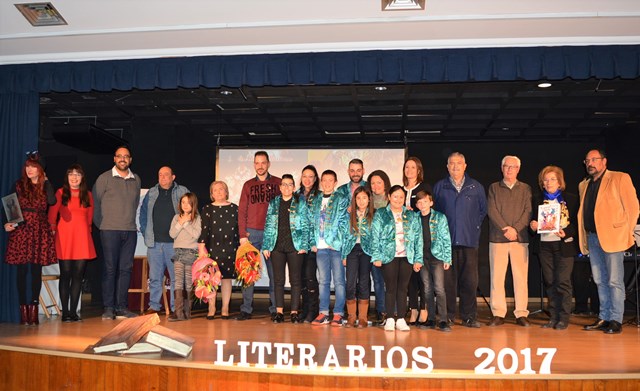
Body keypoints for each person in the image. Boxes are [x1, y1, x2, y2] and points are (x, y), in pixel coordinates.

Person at [578, 149, 639, 334]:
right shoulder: (584, 185)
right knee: (599, 280)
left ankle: (616, 320)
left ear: (604, 161)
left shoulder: (620, 178)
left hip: (614, 237)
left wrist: (625, 232)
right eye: (587, 160)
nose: (590, 163)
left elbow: (633, 207)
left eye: (594, 159)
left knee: (614, 281)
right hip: (592, 237)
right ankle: (604, 317)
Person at [433, 152, 487, 328]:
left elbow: (482, 212)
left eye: (459, 163)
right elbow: (436, 214)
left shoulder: (476, 187)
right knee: (447, 282)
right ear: (447, 166)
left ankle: (469, 316)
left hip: (469, 241)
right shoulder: (440, 187)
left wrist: (472, 227)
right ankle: (447, 316)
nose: (455, 166)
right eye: (452, 163)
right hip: (446, 244)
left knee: (469, 281)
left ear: (465, 166)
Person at [4, 153, 56, 326]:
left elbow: (52, 200)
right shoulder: (18, 185)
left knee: (35, 271)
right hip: (22, 229)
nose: (29, 170)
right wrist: (6, 223)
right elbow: (8, 205)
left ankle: (33, 310)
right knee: (21, 272)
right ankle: (23, 311)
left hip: (39, 230)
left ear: (40, 169)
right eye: (27, 166)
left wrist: (46, 181)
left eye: (33, 166)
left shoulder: (45, 185)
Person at [93, 146, 141, 320]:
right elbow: (96, 205)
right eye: (119, 156)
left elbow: (135, 204)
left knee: (126, 269)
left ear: (130, 160)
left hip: (129, 231)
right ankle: (108, 307)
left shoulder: (136, 179)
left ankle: (121, 307)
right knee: (110, 269)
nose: (123, 159)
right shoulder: (103, 178)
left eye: (126, 156)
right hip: (109, 230)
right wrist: (104, 225)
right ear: (114, 159)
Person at [530, 165, 578, 330]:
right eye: (546, 179)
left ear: (559, 182)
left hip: (564, 246)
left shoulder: (571, 199)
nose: (549, 182)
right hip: (544, 245)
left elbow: (578, 224)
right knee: (550, 281)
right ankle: (553, 317)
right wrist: (533, 224)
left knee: (563, 282)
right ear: (542, 183)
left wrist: (566, 231)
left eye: (552, 179)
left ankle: (564, 318)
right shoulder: (536, 199)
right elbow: (531, 221)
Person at [486, 156, 532, 327]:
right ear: (502, 167)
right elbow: (492, 210)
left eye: (513, 167)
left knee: (521, 278)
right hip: (498, 239)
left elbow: (528, 212)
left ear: (518, 169)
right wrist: (506, 228)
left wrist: (515, 230)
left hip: (519, 239)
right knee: (497, 278)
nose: (510, 169)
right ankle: (498, 313)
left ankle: (521, 313)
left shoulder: (526, 188)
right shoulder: (494, 188)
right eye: (506, 166)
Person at [48, 163, 96, 322]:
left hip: (82, 238)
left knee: (77, 276)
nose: (74, 177)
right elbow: (52, 215)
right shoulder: (60, 193)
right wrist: (53, 230)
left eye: (78, 174)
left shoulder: (87, 195)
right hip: (65, 238)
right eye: (71, 174)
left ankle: (74, 311)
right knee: (65, 275)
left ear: (82, 178)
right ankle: (65, 312)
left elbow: (90, 217)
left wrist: (87, 232)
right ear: (67, 177)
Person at [371, 185, 423, 332]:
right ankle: (389, 319)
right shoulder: (381, 214)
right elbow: (375, 236)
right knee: (390, 288)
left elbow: (418, 238)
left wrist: (418, 259)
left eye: (401, 197)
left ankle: (400, 318)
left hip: (407, 256)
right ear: (389, 197)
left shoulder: (411, 215)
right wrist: (376, 256)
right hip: (388, 256)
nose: (398, 200)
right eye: (395, 196)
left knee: (402, 288)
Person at [236, 151, 281, 320]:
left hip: (272, 233)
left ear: (268, 164)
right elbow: (242, 211)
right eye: (257, 163)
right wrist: (242, 234)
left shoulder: (277, 183)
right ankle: (246, 309)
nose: (260, 166)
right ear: (254, 165)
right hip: (251, 233)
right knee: (248, 273)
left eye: (263, 162)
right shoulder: (248, 185)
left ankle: (276, 309)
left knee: (274, 274)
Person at [139, 166, 189, 317]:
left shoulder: (181, 191)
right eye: (160, 175)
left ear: (173, 177)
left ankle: (176, 308)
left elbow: (191, 211)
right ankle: (154, 306)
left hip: (175, 244)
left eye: (166, 175)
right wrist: (144, 230)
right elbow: (143, 213)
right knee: (154, 277)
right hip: (154, 243)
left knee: (176, 278)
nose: (162, 177)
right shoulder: (152, 192)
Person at [262, 174, 310, 323]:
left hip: (294, 246)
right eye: (284, 184)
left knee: (295, 280)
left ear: (294, 187)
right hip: (276, 246)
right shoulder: (274, 202)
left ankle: (294, 312)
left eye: (290, 184)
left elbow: (306, 225)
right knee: (278, 280)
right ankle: (279, 312)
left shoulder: (300, 202)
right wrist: (266, 245)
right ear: (280, 187)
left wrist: (304, 245)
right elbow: (268, 225)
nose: (287, 187)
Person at [309, 170, 350, 326]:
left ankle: (338, 314)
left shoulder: (341, 199)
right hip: (320, 247)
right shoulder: (316, 199)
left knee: (339, 281)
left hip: (335, 247)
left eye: (330, 180)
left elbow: (344, 222)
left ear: (335, 182)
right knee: (323, 281)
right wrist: (312, 242)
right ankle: (323, 312)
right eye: (324, 180)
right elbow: (310, 221)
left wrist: (336, 242)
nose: (327, 183)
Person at [199, 181, 239, 320]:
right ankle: (212, 307)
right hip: (212, 248)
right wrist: (201, 246)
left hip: (230, 248)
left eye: (221, 189)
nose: (219, 192)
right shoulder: (207, 209)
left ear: (226, 192)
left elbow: (239, 230)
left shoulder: (235, 208)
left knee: (227, 279)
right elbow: (204, 230)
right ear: (211, 194)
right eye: (215, 190)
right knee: (211, 279)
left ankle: (225, 307)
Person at [415, 190, 452, 332]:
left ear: (431, 203)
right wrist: (415, 260)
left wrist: (447, 257)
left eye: (425, 201)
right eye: (419, 202)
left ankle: (443, 319)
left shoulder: (440, 217)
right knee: (427, 289)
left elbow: (446, 238)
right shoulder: (415, 218)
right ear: (417, 205)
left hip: (437, 257)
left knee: (439, 288)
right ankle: (431, 319)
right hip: (422, 258)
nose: (422, 204)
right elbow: (412, 239)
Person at [403, 157, 434, 325]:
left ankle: (424, 308)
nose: (409, 170)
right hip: (406, 242)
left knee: (423, 276)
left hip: (422, 238)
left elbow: (427, 209)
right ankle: (413, 309)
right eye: (407, 167)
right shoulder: (400, 189)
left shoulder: (425, 188)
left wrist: (412, 209)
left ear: (419, 170)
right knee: (410, 278)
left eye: (413, 167)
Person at [341, 186, 375, 328]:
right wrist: (344, 254)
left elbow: (377, 236)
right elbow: (343, 236)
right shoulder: (349, 215)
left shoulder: (374, 215)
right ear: (354, 200)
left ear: (369, 200)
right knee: (350, 283)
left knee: (363, 282)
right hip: (352, 250)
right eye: (358, 198)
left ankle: (362, 317)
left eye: (364, 198)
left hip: (367, 251)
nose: (361, 201)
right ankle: (351, 316)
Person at [169, 193, 201, 321]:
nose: (185, 205)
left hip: (191, 252)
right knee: (178, 281)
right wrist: (180, 223)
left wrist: (186, 223)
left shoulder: (196, 218)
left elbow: (196, 234)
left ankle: (187, 312)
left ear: (193, 204)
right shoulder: (176, 217)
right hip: (178, 252)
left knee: (188, 281)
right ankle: (178, 312)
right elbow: (172, 234)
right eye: (183, 202)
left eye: (188, 202)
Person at [366, 169, 391, 322]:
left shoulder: (392, 200)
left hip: (390, 249)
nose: (375, 186)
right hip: (372, 248)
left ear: (385, 183)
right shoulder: (366, 201)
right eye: (372, 183)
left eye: (379, 182)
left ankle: (393, 311)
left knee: (391, 281)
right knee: (378, 281)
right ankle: (381, 310)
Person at [297, 165, 321, 323]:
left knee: (310, 276)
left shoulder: (319, 196)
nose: (307, 179)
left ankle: (313, 310)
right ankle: (304, 309)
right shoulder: (296, 196)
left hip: (314, 245)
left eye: (311, 176)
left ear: (315, 179)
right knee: (301, 279)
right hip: (299, 245)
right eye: (304, 176)